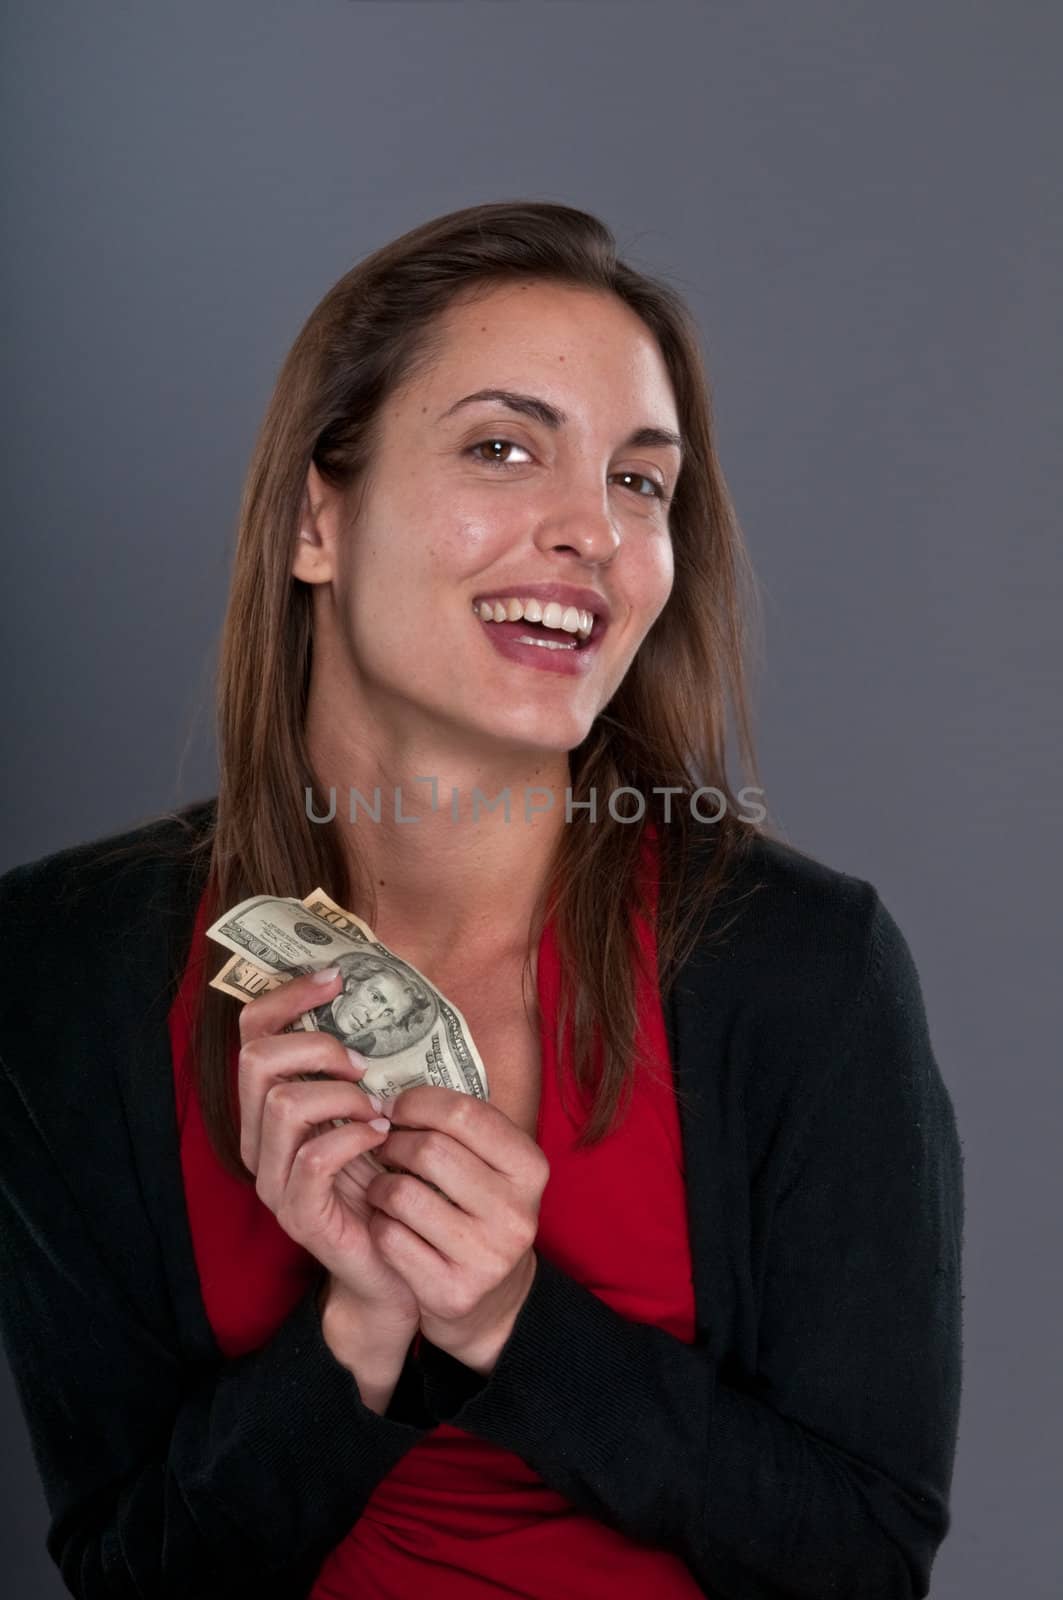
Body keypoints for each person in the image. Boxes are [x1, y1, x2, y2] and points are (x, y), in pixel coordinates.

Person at [0, 200, 964, 1599]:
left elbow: (864, 1559)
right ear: (315, 518)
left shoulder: (804, 967)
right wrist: (361, 1336)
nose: (592, 529)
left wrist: (511, 1320)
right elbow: (130, 1571)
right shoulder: (61, 968)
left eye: (644, 483)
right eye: (503, 448)